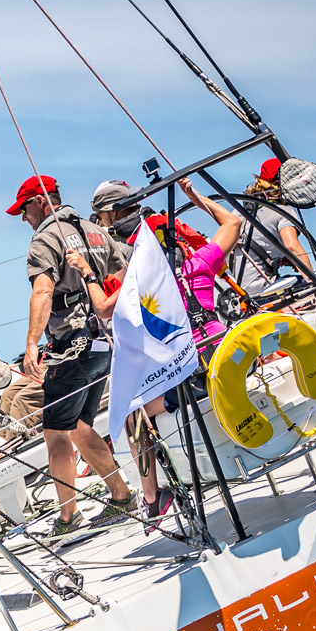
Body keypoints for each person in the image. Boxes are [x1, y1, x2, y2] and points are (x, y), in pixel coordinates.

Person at [72, 177, 245, 524]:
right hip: (229, 358)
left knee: (134, 411)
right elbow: (233, 223)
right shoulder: (199, 265)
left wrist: (87, 272)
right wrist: (195, 197)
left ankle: (152, 497)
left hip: (196, 374)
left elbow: (105, 309)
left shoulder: (143, 283)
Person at [13, 174, 137, 537]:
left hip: (72, 347)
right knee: (81, 427)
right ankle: (121, 495)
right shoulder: (94, 231)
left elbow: (43, 290)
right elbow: (129, 271)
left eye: (24, 209)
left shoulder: (44, 239)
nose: (23, 218)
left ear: (39, 200)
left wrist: (32, 344)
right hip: (102, 345)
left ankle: (68, 518)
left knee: (56, 436)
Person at [231, 157, 314, 291]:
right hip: (266, 290)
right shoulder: (283, 211)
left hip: (241, 294)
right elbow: (292, 246)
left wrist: (280, 260)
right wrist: (313, 282)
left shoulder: (240, 211)